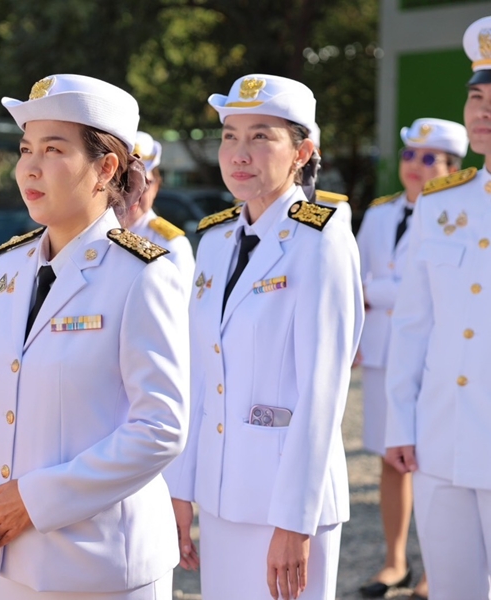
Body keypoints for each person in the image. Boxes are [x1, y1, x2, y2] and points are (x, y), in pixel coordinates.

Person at [0, 74, 190, 599]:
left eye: (54, 149)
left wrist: (35, 499)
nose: (29, 167)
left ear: (106, 168)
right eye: (25, 149)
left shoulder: (142, 274)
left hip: (104, 566)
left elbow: (161, 427)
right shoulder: (9, 268)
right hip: (13, 558)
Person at [164, 74, 364, 600]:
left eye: (260, 136)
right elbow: (200, 375)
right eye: (230, 136)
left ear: (302, 153)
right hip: (221, 493)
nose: (239, 153)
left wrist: (295, 521)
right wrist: (180, 488)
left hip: (286, 503)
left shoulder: (321, 240)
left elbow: (323, 391)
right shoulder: (216, 240)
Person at [385, 16, 491, 598]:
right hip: (441, 438)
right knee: (452, 588)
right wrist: (401, 423)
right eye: (476, 97)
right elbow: (412, 324)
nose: (482, 110)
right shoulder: (443, 203)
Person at [356, 117, 467, 600]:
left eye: (428, 158)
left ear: (451, 167)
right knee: (391, 459)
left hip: (434, 359)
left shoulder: (460, 213)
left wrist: (376, 292)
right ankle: (395, 561)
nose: (414, 166)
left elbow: (424, 293)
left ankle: (432, 571)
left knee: (432, 464)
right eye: (408, 155)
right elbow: (355, 280)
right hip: (383, 354)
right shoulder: (380, 213)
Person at [120, 131, 196, 289]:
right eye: (124, 182)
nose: (134, 193)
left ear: (156, 187)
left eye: (144, 184)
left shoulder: (172, 246)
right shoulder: (90, 232)